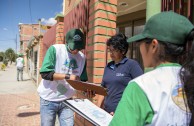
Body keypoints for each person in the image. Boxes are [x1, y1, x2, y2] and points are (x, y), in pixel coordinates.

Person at [109, 11, 194, 126]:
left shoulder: (140, 86)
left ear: (154, 45)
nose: (140, 48)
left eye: (141, 43)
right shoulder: (189, 79)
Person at [37, 28, 88, 126]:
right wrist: (68, 76)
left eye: (79, 47)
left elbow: (83, 80)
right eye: (74, 47)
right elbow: (45, 74)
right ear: (66, 42)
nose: (76, 50)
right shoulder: (55, 50)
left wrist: (87, 90)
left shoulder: (82, 58)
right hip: (48, 99)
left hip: (67, 100)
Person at [96, 33, 143, 115]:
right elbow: (103, 90)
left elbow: (141, 90)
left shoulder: (132, 65)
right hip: (106, 113)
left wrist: (124, 112)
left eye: (114, 50)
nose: (111, 53)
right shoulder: (108, 66)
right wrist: (97, 108)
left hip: (123, 114)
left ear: (123, 51)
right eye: (110, 50)